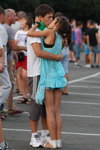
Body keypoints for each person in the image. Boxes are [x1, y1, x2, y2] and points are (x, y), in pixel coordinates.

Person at [27, 15, 71, 148]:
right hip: (59, 75)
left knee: (50, 111)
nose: (51, 22)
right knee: (57, 111)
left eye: (54, 20)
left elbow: (30, 33)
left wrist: (36, 24)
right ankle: (58, 141)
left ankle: (51, 141)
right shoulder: (63, 38)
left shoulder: (49, 32)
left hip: (48, 76)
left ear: (57, 25)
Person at [4, 9, 26, 115]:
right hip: (5, 61)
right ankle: (9, 107)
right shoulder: (8, 29)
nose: (16, 18)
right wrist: (25, 48)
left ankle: (8, 106)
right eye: (14, 16)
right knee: (9, 84)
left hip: (6, 58)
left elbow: (7, 46)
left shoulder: (4, 28)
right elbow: (13, 46)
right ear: (8, 17)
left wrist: (13, 54)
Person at [0, 7, 12, 150]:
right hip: (1, 62)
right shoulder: (2, 29)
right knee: (7, 85)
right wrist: (1, 62)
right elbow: (1, 48)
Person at [15, 15, 33, 104]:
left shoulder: (31, 32)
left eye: (22, 20)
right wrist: (19, 49)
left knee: (26, 76)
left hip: (28, 56)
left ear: (27, 22)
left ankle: (30, 95)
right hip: (20, 55)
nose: (20, 22)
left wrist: (23, 48)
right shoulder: (18, 32)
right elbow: (15, 43)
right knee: (20, 75)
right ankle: (24, 96)